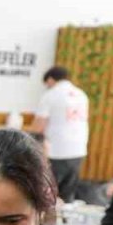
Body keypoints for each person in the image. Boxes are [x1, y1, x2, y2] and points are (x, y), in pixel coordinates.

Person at [29, 66, 90, 202]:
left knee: (49, 192)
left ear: (50, 79)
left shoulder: (50, 95)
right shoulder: (81, 94)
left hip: (57, 150)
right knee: (68, 193)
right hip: (79, 150)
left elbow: (38, 127)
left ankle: (47, 222)